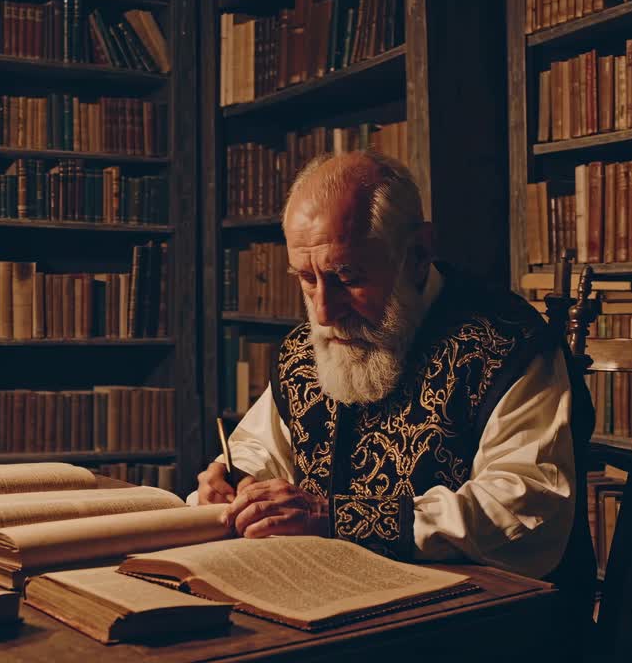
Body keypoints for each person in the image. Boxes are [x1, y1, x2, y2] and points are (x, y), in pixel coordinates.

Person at [196, 150, 595, 600]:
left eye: (346, 276)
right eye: (306, 278)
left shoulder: (508, 346)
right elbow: (259, 448)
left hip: (487, 621)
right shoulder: (307, 347)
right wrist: (239, 482)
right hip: (334, 596)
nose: (324, 313)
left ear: (418, 254)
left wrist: (336, 517)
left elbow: (526, 509)